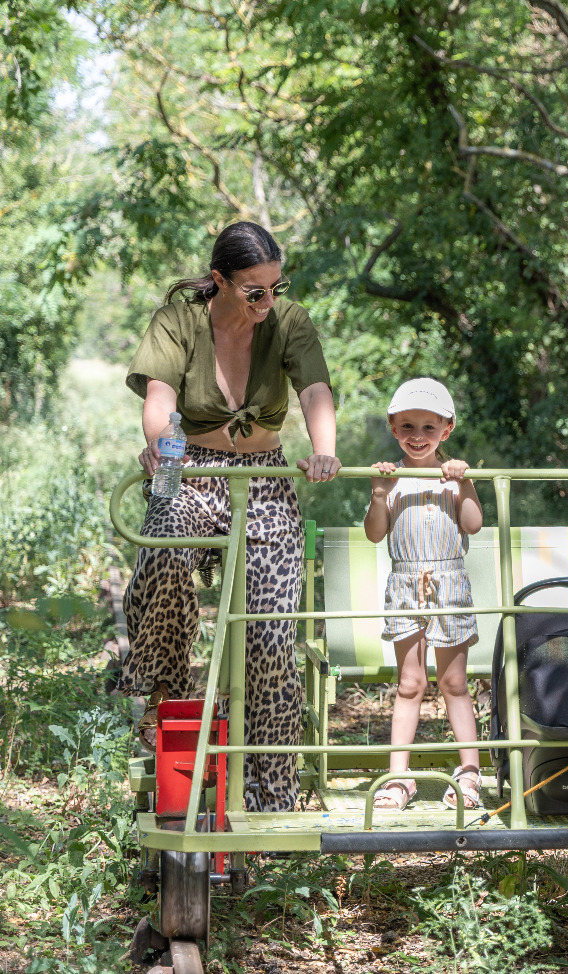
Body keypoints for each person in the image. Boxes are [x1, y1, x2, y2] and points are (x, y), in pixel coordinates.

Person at [119, 221, 341, 813]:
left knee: (269, 638)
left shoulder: (288, 320)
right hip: (187, 465)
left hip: (263, 476)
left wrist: (324, 450)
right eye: (254, 291)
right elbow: (160, 402)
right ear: (219, 280)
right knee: (162, 547)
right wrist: (163, 450)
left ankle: (272, 794)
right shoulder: (179, 321)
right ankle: (165, 686)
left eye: (276, 286)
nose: (268, 302)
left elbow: (315, 390)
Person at [363, 378, 484, 811]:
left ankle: (470, 773)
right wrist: (379, 496)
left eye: (429, 428)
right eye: (408, 427)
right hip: (405, 588)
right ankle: (399, 779)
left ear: (446, 431)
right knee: (410, 683)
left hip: (449, 587)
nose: (418, 437)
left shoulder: (453, 479)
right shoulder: (390, 479)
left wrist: (465, 482)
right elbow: (376, 533)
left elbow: (472, 524)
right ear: (394, 429)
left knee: (454, 682)